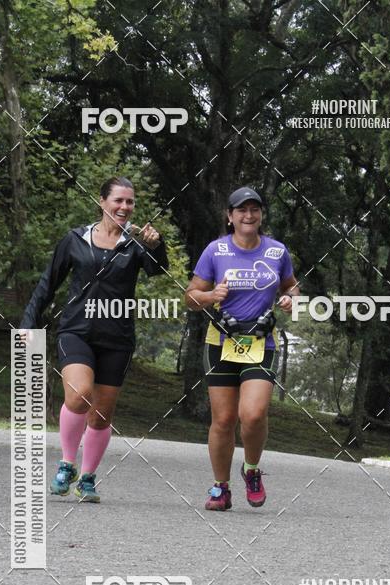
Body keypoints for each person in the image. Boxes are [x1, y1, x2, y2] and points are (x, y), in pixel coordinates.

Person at [20, 176, 167, 502]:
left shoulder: (136, 243)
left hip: (117, 338)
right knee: (79, 394)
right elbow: (48, 284)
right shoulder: (75, 239)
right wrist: (28, 325)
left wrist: (157, 245)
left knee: (101, 413)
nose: (125, 207)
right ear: (102, 202)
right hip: (76, 331)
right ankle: (67, 463)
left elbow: (159, 270)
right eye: (118, 200)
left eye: (130, 202)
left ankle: (87, 478)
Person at [185, 187, 297, 511]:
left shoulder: (276, 251)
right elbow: (190, 297)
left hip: (261, 342)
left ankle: (251, 469)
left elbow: (291, 285)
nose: (249, 216)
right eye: (241, 210)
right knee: (223, 420)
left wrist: (292, 299)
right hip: (221, 341)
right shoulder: (215, 251)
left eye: (255, 210)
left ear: (261, 214)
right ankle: (221, 488)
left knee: (253, 413)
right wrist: (210, 296)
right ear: (230, 216)